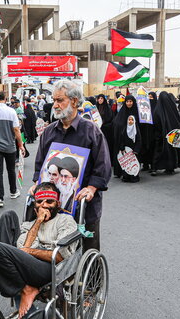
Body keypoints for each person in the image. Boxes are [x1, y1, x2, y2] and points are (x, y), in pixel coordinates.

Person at [32, 79, 111, 251]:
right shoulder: (49, 132)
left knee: (88, 248)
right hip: (53, 204)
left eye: (60, 100)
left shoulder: (91, 131)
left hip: (84, 204)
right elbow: (40, 164)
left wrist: (91, 188)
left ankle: (92, 278)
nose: (55, 105)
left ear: (74, 101)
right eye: (54, 100)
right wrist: (35, 184)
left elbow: (103, 166)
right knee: (53, 247)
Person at [0, 183, 79, 319]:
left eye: (49, 201)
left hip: (50, 268)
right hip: (27, 263)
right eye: (40, 202)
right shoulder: (30, 224)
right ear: (35, 206)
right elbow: (23, 248)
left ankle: (4, 273)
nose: (44, 205)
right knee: (8, 215)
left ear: (57, 204)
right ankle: (24, 287)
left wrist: (31, 252)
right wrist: (38, 221)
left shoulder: (65, 220)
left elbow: (60, 257)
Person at [152, 92, 180, 175]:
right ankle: (169, 167)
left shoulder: (158, 109)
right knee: (169, 151)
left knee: (159, 150)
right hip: (169, 134)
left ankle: (156, 168)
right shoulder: (171, 108)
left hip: (162, 134)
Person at [112, 95, 140, 177]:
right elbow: (117, 122)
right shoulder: (122, 112)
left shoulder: (136, 111)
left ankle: (133, 172)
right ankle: (120, 172)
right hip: (122, 138)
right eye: (127, 101)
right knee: (122, 154)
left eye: (131, 101)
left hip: (133, 138)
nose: (129, 103)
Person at [119, 115, 142, 183]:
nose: (130, 121)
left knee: (134, 164)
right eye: (129, 120)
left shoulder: (136, 130)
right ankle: (126, 177)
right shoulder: (124, 129)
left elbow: (139, 140)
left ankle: (134, 177)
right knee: (127, 164)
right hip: (126, 150)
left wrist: (136, 150)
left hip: (134, 151)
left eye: (132, 120)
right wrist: (122, 148)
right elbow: (122, 139)